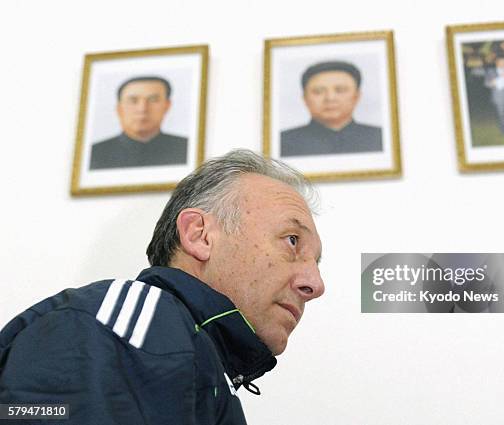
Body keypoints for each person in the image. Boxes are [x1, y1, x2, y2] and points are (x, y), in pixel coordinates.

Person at [0, 150, 325, 424]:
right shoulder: (137, 331)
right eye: (292, 241)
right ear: (199, 235)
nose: (315, 284)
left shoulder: (189, 355)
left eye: (316, 263)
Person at [281, 61, 383, 157]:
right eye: (318, 91)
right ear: (305, 98)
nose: (330, 98)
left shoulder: (380, 138)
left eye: (340, 90)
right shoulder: (283, 142)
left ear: (357, 96)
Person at [89, 76, 188, 170]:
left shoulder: (186, 149)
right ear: (119, 108)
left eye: (153, 100)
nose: (142, 109)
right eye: (133, 100)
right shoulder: (93, 154)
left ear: (167, 106)